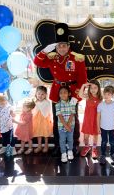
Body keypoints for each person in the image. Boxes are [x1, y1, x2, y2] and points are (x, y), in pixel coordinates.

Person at [33, 23, 87, 156]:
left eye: (64, 45)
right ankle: (59, 145)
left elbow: (83, 80)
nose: (61, 48)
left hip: (72, 92)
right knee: (58, 120)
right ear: (55, 47)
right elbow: (37, 62)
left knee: (73, 120)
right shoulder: (52, 58)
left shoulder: (77, 58)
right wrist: (45, 50)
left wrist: (77, 96)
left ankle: (74, 145)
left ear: (68, 46)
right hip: (57, 92)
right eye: (59, 46)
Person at [79, 80, 102, 159]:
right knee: (86, 136)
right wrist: (83, 85)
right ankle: (86, 147)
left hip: (96, 120)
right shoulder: (88, 96)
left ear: (98, 88)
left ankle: (94, 149)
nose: (93, 89)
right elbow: (80, 94)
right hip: (88, 119)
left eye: (95, 88)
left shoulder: (101, 98)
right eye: (91, 88)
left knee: (95, 135)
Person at [97, 86, 114, 165]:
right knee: (103, 142)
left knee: (112, 142)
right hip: (103, 127)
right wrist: (98, 127)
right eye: (105, 94)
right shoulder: (100, 105)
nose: (106, 96)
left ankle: (112, 155)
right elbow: (98, 117)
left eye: (109, 94)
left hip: (112, 128)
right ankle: (103, 155)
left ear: (112, 95)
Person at [55, 86, 77, 163]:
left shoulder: (72, 103)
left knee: (70, 139)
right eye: (61, 93)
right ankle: (63, 153)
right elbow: (60, 116)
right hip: (61, 126)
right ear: (59, 95)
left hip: (71, 125)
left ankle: (70, 151)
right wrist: (66, 126)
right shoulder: (57, 104)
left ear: (69, 94)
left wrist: (68, 125)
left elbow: (72, 114)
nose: (63, 94)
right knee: (62, 140)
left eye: (65, 92)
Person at [32, 86, 53, 153]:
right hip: (37, 120)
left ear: (45, 95)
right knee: (38, 133)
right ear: (36, 94)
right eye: (39, 94)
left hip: (45, 120)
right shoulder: (35, 102)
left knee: (45, 134)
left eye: (42, 94)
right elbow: (33, 111)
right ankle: (39, 146)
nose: (40, 96)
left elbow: (48, 111)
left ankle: (46, 146)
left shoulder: (47, 102)